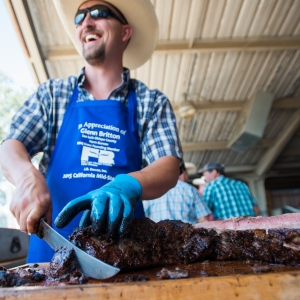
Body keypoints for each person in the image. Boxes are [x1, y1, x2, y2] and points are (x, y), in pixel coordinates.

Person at [0, 0, 184, 263]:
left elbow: (169, 165)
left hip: (123, 257)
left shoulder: (150, 101)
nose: (86, 22)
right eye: (79, 17)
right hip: (49, 254)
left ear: (125, 32)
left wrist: (127, 184)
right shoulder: (52, 95)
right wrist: (26, 176)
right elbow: (9, 147)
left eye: (98, 13)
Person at [143, 171, 211, 224]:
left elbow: (142, 216)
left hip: (158, 239)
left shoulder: (150, 191)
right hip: (187, 238)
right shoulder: (190, 189)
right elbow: (204, 219)